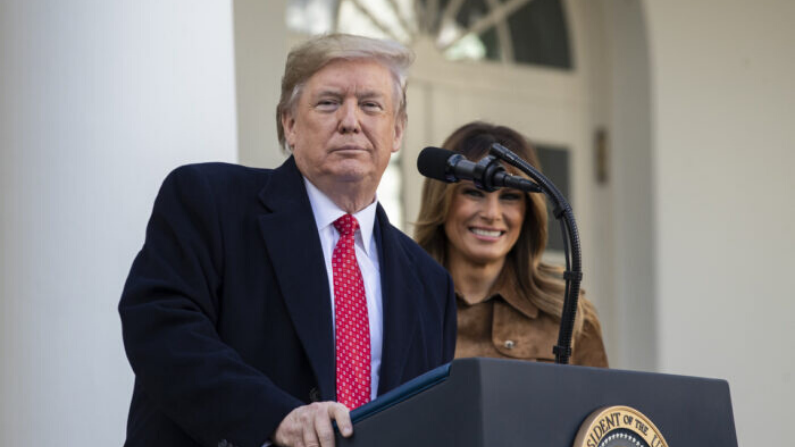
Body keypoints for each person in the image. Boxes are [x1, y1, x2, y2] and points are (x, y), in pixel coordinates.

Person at [119, 34, 456, 447]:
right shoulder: (208, 202)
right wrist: (275, 417)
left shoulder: (430, 284)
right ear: (290, 125)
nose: (351, 121)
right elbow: (162, 331)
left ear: (398, 130)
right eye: (329, 102)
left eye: (371, 105)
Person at [414, 122, 607, 367]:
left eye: (509, 197)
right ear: (441, 200)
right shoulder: (399, 300)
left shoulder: (569, 313)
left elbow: (602, 406)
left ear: (528, 211)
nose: (492, 213)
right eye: (473, 193)